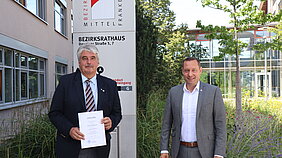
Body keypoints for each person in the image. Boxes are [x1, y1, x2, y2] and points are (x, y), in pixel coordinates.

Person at [49, 44, 122, 158]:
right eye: (84, 58)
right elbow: (54, 113)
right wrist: (69, 129)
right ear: (79, 62)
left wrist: (111, 122)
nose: (89, 62)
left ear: (98, 62)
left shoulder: (110, 85)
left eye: (92, 58)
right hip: (71, 147)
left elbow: (117, 113)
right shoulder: (65, 82)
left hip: (99, 147)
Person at [160, 57, 226, 158]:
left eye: (193, 70)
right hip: (179, 151)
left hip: (205, 152)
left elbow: (220, 125)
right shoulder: (174, 93)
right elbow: (166, 124)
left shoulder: (213, 92)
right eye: (187, 70)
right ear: (182, 71)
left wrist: (219, 154)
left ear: (200, 70)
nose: (190, 74)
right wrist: (164, 149)